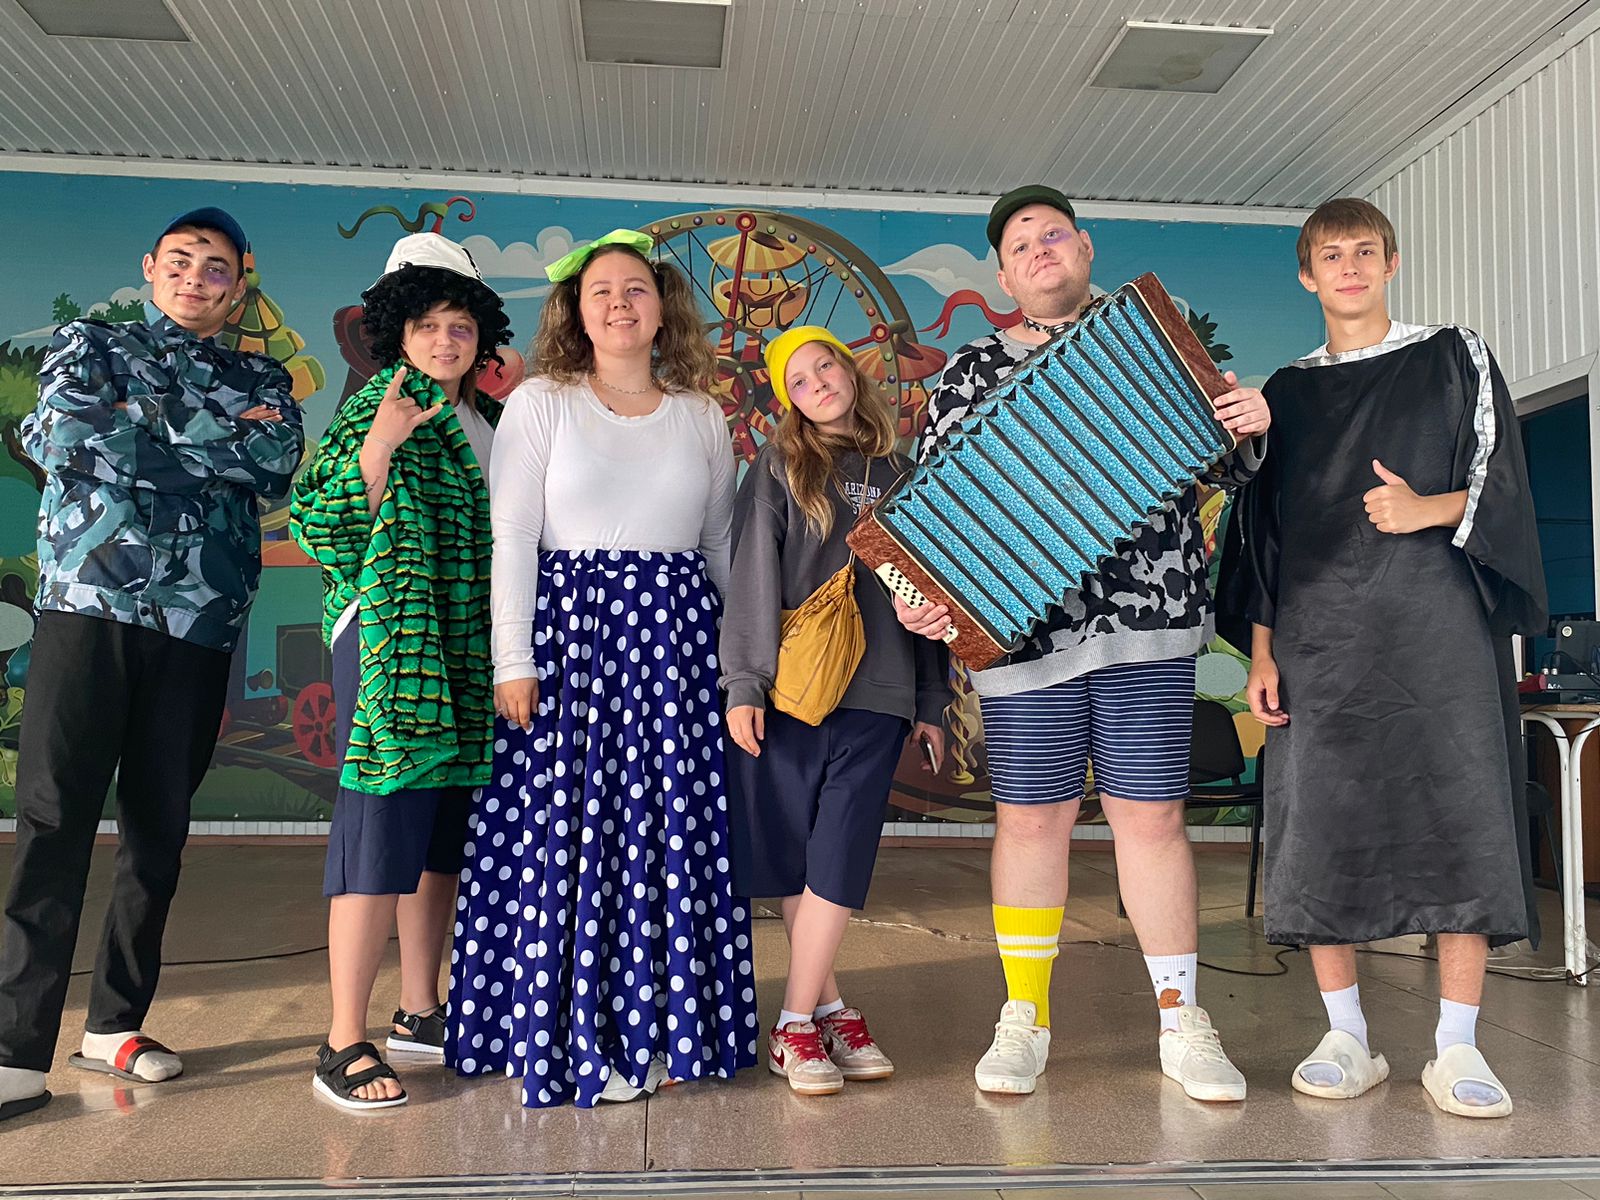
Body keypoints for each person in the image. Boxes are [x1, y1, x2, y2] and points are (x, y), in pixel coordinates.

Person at [898, 185, 1270, 1101]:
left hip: (1149, 629)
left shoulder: (1155, 343)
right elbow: (935, 514)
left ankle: (1182, 1021)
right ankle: (1023, 1016)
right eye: (1019, 244)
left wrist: (1254, 423)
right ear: (1002, 276)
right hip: (1025, 637)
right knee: (1031, 820)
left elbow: (1232, 462)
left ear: (1086, 247)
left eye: (1052, 234)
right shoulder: (968, 374)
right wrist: (921, 599)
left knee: (1152, 819)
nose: (1039, 249)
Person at [1218, 197, 1545, 1119]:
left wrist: (1426, 509)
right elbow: (1264, 534)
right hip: (1319, 642)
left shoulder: (1454, 355)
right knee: (1321, 826)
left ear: (1391, 263)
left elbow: (1502, 481)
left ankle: (1458, 1045)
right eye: (1332, 255)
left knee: (1461, 817)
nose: (1350, 268)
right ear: (1307, 275)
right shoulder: (1286, 393)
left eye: (1366, 251)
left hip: (1439, 636)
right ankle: (1346, 1036)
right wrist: (1263, 655)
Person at [0, 207, 303, 1121]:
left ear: (237, 286)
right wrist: (213, 442)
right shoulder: (91, 343)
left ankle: (115, 1025)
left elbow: (274, 459)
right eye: (181, 260)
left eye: (216, 268)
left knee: (157, 828)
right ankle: (15, 1048)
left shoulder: (261, 376)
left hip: (199, 621)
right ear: (150, 266)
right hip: (88, 606)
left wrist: (139, 425)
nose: (195, 278)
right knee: (53, 817)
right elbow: (59, 437)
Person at [447, 229, 758, 1108]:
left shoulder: (700, 415)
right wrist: (513, 657)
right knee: (569, 836)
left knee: (666, 835)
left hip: (678, 648)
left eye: (636, 289)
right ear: (576, 314)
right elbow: (514, 535)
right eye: (601, 292)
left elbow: (719, 548)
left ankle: (667, 1033)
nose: (620, 303)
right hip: (569, 645)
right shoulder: (543, 401)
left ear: (663, 311)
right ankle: (571, 1036)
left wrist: (741, 666)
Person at [290, 232, 512, 1110]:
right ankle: (342, 1038)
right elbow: (319, 528)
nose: (445, 340)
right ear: (398, 331)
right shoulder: (377, 406)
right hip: (392, 642)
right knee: (380, 829)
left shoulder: (487, 422)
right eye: (427, 325)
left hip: (463, 650)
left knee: (440, 834)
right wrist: (377, 449)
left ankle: (422, 1010)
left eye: (460, 325)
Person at [719, 325, 951, 1095]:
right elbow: (751, 575)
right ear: (787, 400)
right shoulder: (780, 465)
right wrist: (744, 684)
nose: (818, 381)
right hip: (794, 695)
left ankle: (795, 1024)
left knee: (840, 858)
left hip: (880, 694)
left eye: (826, 365)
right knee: (802, 860)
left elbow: (930, 596)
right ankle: (827, 1013)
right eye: (799, 378)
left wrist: (932, 701)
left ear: (852, 372)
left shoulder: (903, 472)